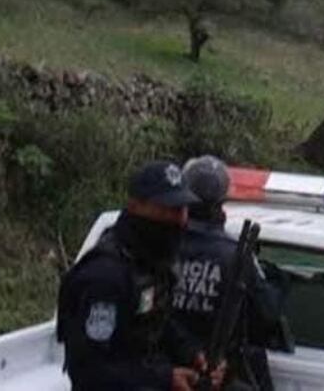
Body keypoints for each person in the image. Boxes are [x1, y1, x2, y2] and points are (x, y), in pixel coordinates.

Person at [56, 161, 223, 391]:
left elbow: (155, 320)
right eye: (169, 209)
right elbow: (90, 370)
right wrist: (164, 379)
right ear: (136, 206)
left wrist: (193, 353)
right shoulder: (105, 276)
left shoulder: (148, 261)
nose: (180, 219)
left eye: (183, 209)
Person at [172, 156, 286, 390]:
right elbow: (268, 314)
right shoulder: (235, 255)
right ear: (222, 200)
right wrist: (278, 280)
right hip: (213, 373)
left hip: (157, 370)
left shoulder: (157, 243)